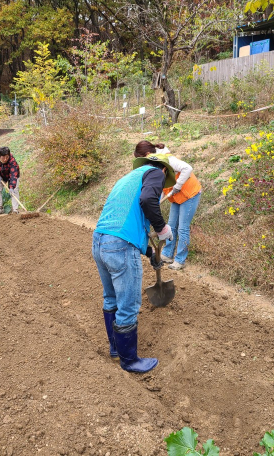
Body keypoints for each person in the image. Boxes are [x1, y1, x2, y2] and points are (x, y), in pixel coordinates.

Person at [92, 153, 176, 373]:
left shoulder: (128, 179)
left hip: (100, 240)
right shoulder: (157, 172)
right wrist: (162, 229)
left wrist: (149, 253)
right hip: (120, 245)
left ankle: (115, 350)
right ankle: (129, 361)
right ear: (164, 170)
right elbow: (148, 201)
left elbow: (127, 223)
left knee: (111, 298)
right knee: (128, 305)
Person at [134, 141, 202, 270]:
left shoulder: (168, 160)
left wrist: (177, 186)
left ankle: (180, 260)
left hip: (189, 194)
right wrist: (155, 201)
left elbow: (188, 168)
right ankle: (167, 254)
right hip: (176, 197)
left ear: (147, 154)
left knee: (183, 228)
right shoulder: (154, 165)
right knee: (171, 226)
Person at [0, 146, 20, 215]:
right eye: (3, 157)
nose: (5, 159)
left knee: (14, 190)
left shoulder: (12, 161)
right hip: (1, 175)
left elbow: (13, 175)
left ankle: (15, 209)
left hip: (12, 175)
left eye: (7, 157)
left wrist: (11, 187)